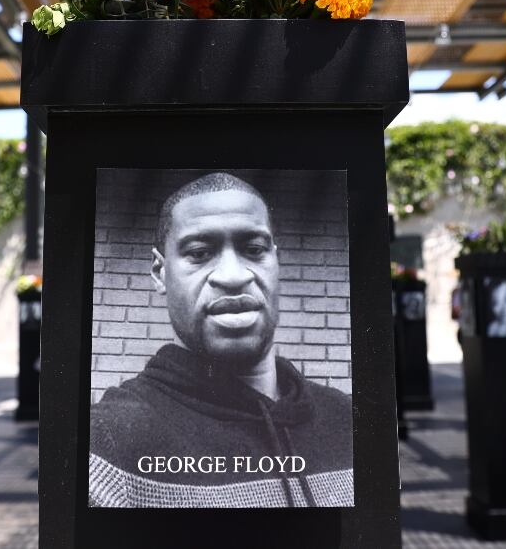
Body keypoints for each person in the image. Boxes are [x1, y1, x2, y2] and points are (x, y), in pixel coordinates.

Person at [88, 172, 352, 508]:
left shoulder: (348, 420)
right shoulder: (108, 448)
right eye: (199, 253)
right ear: (160, 272)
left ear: (276, 260)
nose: (232, 276)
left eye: (254, 249)